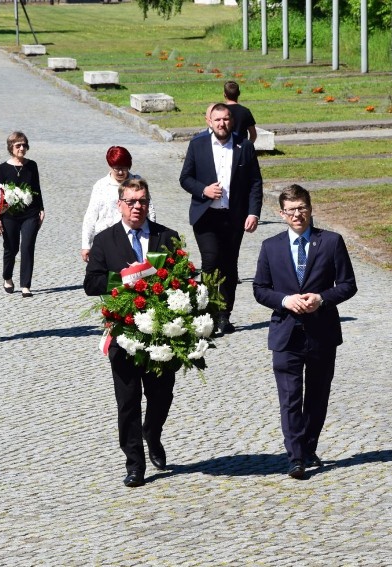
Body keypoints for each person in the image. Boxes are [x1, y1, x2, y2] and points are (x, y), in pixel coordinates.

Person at [252, 184, 358, 479]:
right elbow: (260, 290)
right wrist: (286, 300)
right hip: (285, 333)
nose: (297, 214)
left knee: (317, 394)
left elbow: (348, 284)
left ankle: (309, 445)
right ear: (282, 214)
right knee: (289, 397)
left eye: (302, 208)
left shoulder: (331, 242)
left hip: (322, 331)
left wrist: (321, 299)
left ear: (310, 209)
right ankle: (295, 456)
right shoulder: (270, 247)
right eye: (291, 210)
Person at [83, 178, 180, 488]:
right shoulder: (105, 240)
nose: (138, 206)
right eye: (132, 202)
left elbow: (186, 276)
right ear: (119, 205)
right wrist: (124, 281)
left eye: (143, 201)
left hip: (161, 333)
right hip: (123, 332)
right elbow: (91, 284)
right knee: (127, 401)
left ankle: (152, 432)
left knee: (161, 395)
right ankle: (135, 463)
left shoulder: (167, 237)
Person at [179, 102, 263, 335]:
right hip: (206, 216)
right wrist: (203, 190)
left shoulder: (244, 146)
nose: (222, 124)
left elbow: (255, 183)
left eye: (225, 119)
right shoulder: (198, 145)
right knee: (210, 262)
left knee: (229, 266)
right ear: (209, 122)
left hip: (233, 217)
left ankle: (224, 316)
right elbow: (185, 178)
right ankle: (207, 312)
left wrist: (253, 212)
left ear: (231, 121)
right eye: (217, 120)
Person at [80, 146, 156, 263]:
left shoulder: (138, 182)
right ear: (110, 166)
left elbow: (150, 210)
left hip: (133, 237)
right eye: (117, 168)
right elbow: (91, 215)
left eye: (124, 168)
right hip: (107, 238)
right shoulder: (101, 186)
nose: (121, 172)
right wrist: (86, 244)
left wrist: (152, 237)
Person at [0, 132, 45, 298]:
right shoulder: (3, 168)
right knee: (11, 247)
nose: (21, 148)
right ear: (11, 147)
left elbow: (36, 188)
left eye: (24, 145)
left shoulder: (32, 165)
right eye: (18, 145)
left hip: (30, 213)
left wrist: (41, 209)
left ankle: (26, 285)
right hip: (9, 214)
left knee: (27, 246)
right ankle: (7, 277)